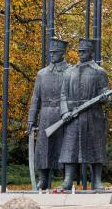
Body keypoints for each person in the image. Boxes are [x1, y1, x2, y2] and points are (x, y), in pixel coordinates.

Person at [58, 38, 109, 190]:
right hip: (73, 115)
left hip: (93, 115)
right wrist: (65, 111)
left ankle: (97, 181)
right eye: (79, 51)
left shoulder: (99, 72)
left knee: (95, 147)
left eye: (84, 51)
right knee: (70, 148)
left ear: (91, 53)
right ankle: (67, 181)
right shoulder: (70, 72)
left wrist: (106, 96)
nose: (81, 54)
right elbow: (63, 94)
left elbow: (105, 91)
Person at [27, 38, 70, 190]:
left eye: (56, 52)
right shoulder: (42, 74)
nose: (52, 55)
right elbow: (35, 97)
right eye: (51, 52)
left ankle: (67, 179)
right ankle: (43, 179)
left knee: (64, 147)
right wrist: (31, 119)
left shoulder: (70, 72)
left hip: (63, 114)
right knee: (43, 148)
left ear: (62, 53)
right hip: (45, 115)